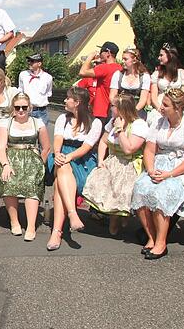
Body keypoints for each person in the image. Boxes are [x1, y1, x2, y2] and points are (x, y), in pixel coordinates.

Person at [131, 89, 184, 260]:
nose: (161, 107)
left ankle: (161, 243)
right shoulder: (158, 122)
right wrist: (150, 169)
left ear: (177, 108)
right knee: (140, 187)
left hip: (180, 168)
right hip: (158, 164)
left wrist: (170, 174)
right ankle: (151, 236)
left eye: (165, 105)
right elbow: (149, 150)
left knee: (161, 192)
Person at [83, 93, 148, 236]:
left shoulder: (138, 125)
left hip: (130, 163)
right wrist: (100, 160)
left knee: (121, 187)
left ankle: (120, 217)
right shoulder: (112, 121)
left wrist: (120, 130)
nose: (111, 108)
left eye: (113, 106)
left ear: (122, 108)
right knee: (100, 181)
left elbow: (129, 148)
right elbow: (103, 141)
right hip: (114, 159)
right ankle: (115, 218)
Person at [46, 87, 102, 250]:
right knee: (62, 168)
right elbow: (57, 139)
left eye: (68, 98)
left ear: (77, 103)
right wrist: (57, 153)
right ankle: (72, 213)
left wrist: (68, 157)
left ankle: (56, 232)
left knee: (59, 184)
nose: (65, 100)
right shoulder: (63, 118)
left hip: (81, 159)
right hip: (61, 154)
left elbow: (87, 147)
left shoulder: (95, 122)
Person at [0, 93, 50, 241]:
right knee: (9, 180)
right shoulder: (5, 123)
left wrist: (40, 164)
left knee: (32, 184)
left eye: (24, 107)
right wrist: (5, 164)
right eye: (17, 107)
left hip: (32, 158)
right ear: (13, 108)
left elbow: (46, 148)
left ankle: (31, 226)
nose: (20, 110)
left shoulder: (37, 123)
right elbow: (0, 148)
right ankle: (14, 220)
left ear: (29, 108)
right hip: (11, 157)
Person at [148, 43, 184, 125]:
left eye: (161, 55)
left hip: (176, 110)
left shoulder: (183, 75)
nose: (158, 58)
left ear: (170, 55)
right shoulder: (156, 74)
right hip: (159, 109)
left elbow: (183, 96)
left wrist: (172, 111)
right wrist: (160, 109)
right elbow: (153, 96)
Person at [78, 41, 122, 122]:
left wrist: (89, 57)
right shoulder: (120, 68)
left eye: (102, 51)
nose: (100, 54)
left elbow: (82, 72)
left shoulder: (104, 67)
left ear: (108, 53)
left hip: (101, 111)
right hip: (114, 110)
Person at [108, 47, 149, 118]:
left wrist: (133, 112)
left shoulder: (144, 77)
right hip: (119, 111)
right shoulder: (118, 75)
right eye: (122, 59)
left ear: (134, 60)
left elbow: (143, 100)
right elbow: (112, 96)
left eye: (125, 59)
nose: (122, 61)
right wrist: (121, 111)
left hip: (137, 112)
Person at [18, 53, 53, 124]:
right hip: (26, 111)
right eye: (29, 61)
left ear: (39, 63)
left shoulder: (48, 77)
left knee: (42, 134)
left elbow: (48, 92)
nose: (29, 63)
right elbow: (20, 90)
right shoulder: (23, 74)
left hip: (41, 112)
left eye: (32, 61)